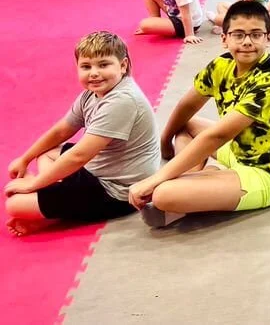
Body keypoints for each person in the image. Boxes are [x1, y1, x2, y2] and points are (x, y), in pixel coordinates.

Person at [127, 1, 270, 227]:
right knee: (186, 124)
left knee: (163, 193)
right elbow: (187, 105)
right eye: (238, 35)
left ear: (268, 38)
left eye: (256, 35)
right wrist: (165, 140)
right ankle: (203, 181)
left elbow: (218, 136)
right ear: (224, 39)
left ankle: (197, 187)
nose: (247, 42)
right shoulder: (222, 64)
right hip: (239, 150)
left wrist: (157, 178)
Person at [4, 32, 159, 236]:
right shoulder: (91, 94)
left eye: (103, 65)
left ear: (123, 66)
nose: (94, 73)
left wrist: (33, 185)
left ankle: (55, 211)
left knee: (14, 204)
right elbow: (61, 130)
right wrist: (25, 159)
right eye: (86, 67)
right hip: (97, 170)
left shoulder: (122, 100)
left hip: (118, 193)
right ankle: (58, 202)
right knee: (46, 152)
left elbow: (79, 156)